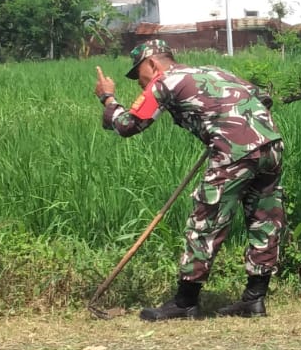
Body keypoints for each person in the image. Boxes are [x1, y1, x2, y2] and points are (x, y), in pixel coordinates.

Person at [94, 40, 285, 320]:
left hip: (234, 150)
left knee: (205, 219)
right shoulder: (214, 71)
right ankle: (254, 299)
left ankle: (186, 303)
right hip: (271, 145)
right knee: (265, 219)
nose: (140, 83)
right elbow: (262, 97)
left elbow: (128, 125)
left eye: (139, 75)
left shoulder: (164, 81)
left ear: (153, 64)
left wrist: (107, 99)